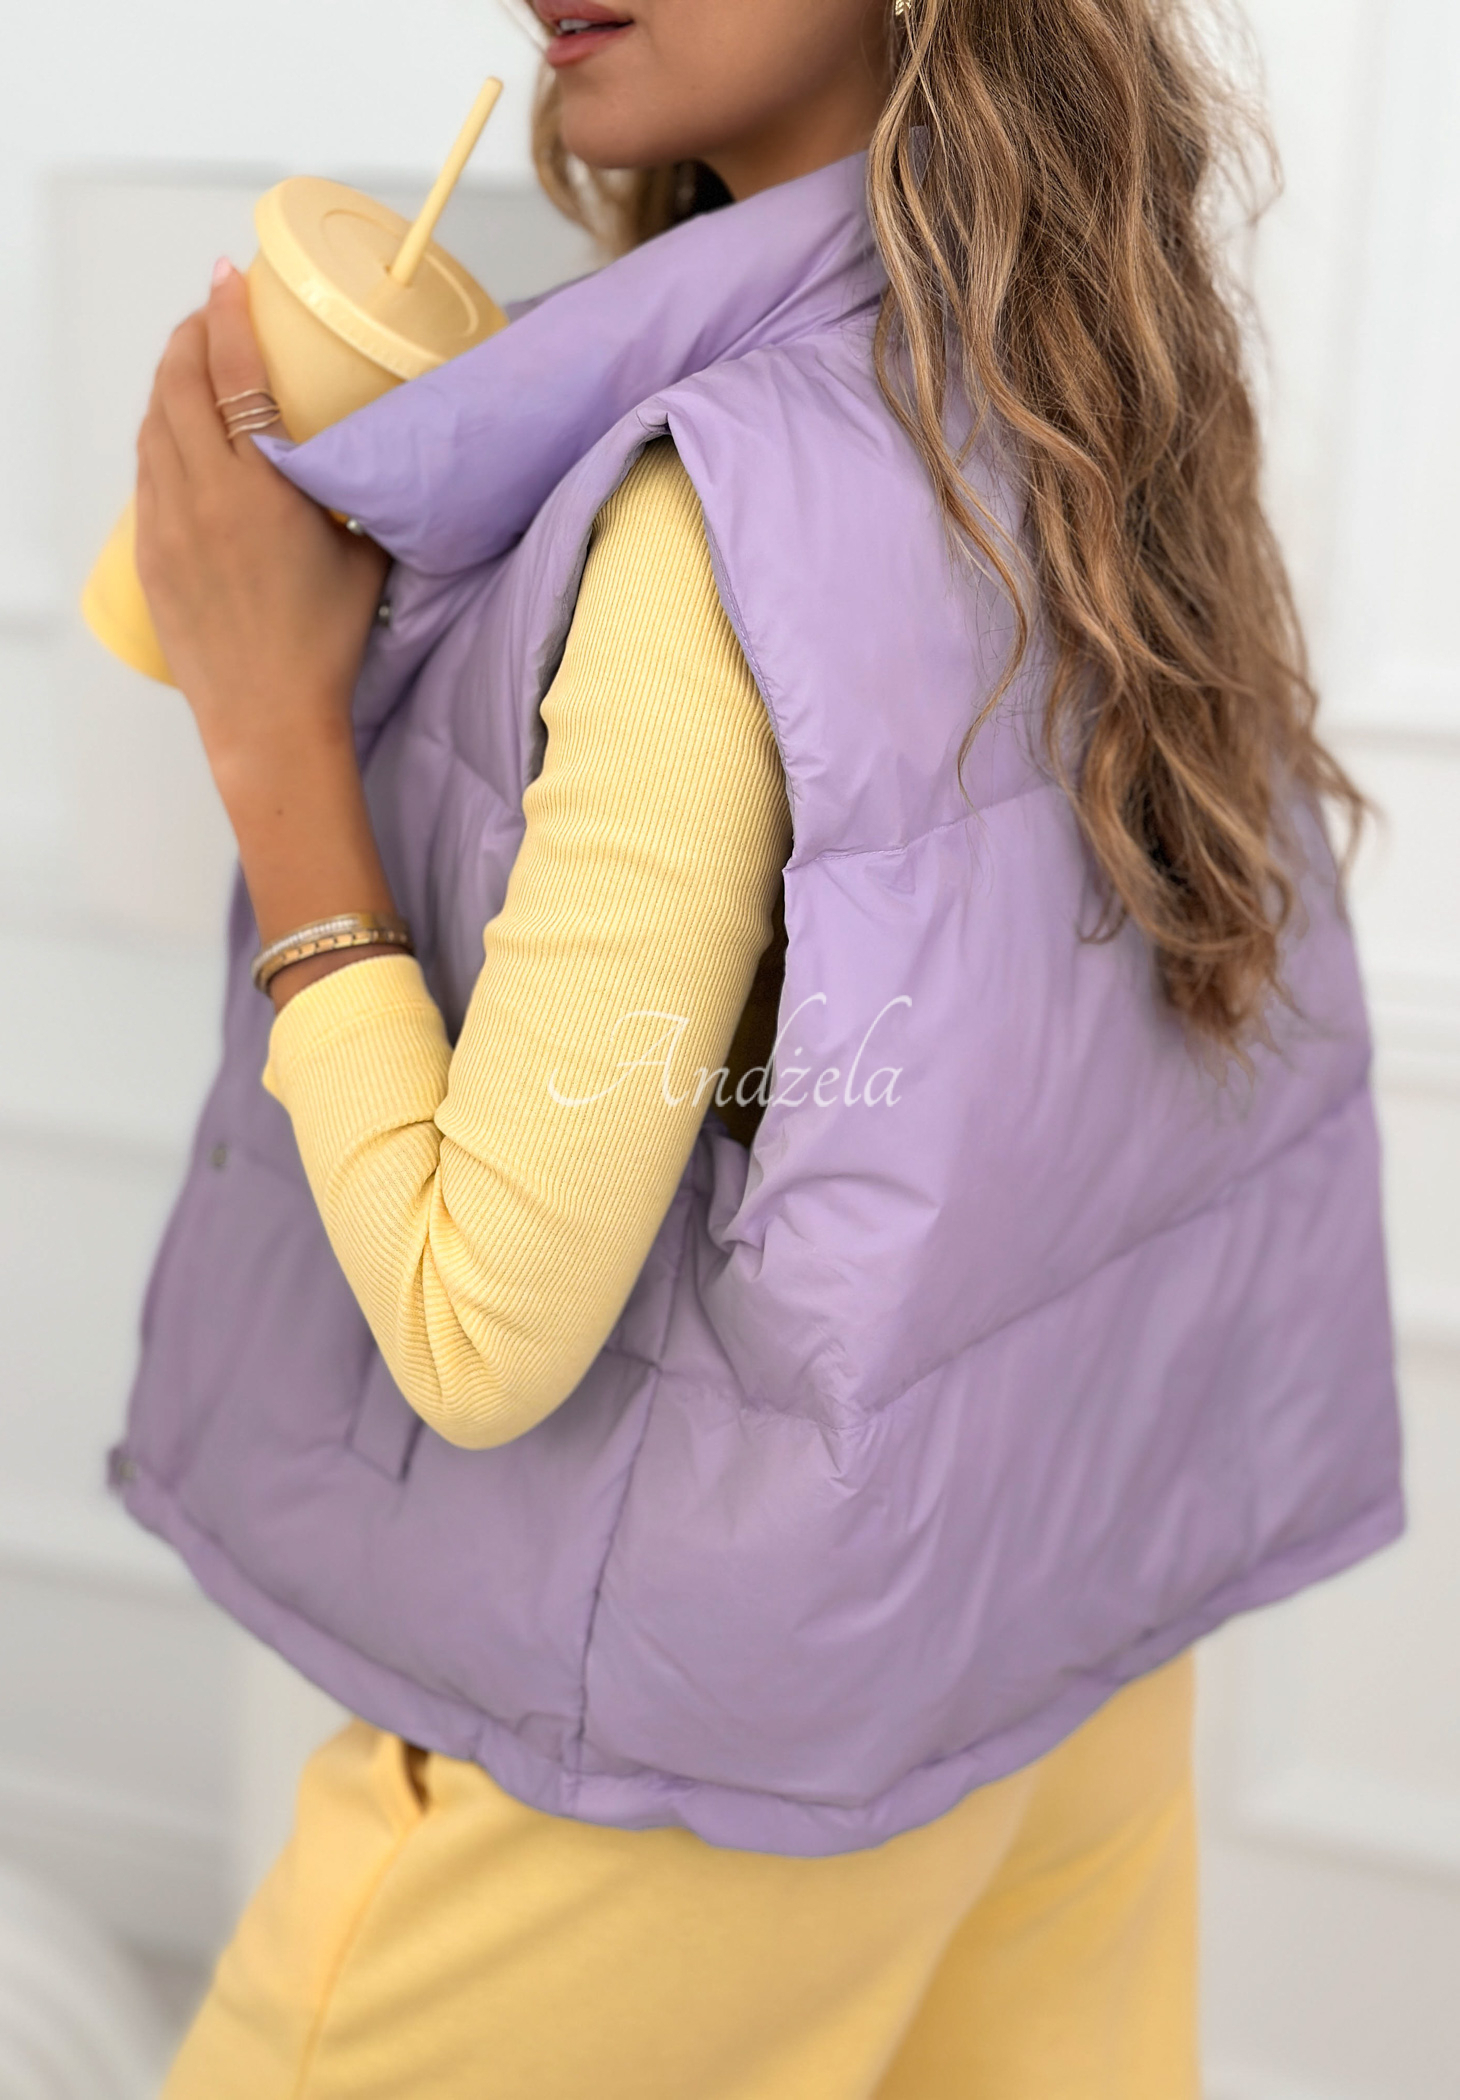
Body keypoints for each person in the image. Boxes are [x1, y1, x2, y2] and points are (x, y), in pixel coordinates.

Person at [120, 0, 1401, 2092]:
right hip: (1049, 1674)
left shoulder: (706, 512)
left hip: (675, 1760)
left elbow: (476, 1328)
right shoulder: (1092, 388)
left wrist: (272, 731)